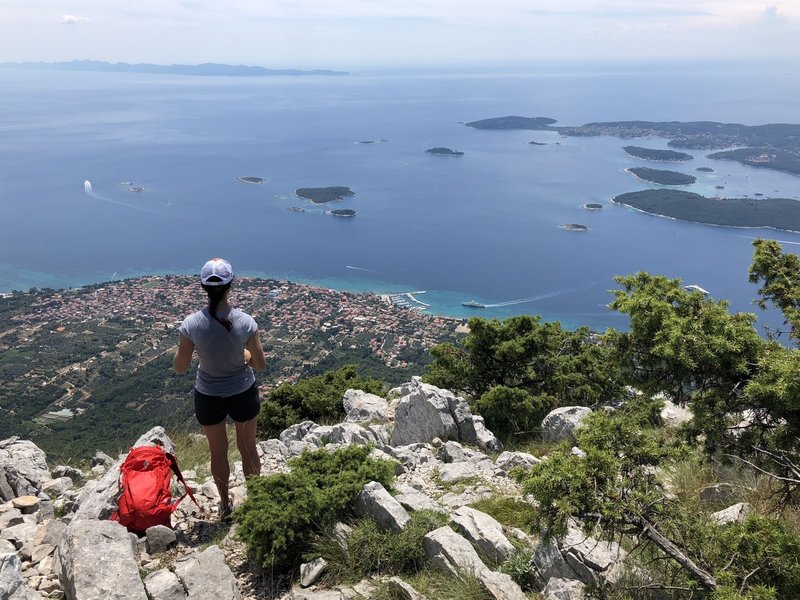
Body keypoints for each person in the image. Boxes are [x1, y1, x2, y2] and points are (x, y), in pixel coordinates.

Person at [173, 258, 266, 519]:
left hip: (208, 395)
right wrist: (245, 355)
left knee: (218, 451)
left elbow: (180, 367)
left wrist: (190, 350)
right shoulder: (246, 322)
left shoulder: (190, 325)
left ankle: (225, 503)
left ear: (203, 286)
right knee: (248, 447)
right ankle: (257, 502)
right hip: (242, 392)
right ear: (231, 285)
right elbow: (260, 364)